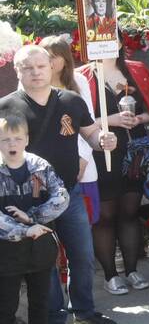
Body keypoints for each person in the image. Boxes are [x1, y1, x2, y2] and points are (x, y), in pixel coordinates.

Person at [0, 45, 118, 324]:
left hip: (69, 193)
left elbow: (90, 134)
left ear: (52, 66)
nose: (36, 72)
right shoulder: (6, 107)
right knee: (45, 262)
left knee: (82, 255)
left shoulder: (71, 100)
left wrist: (103, 138)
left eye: (41, 66)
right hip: (29, 202)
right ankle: (54, 320)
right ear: (17, 71)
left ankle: (85, 310)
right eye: (28, 68)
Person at [77, 47, 149, 296]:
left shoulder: (136, 69)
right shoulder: (83, 76)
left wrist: (138, 119)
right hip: (102, 152)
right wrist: (112, 120)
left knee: (130, 211)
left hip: (133, 152)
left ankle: (132, 269)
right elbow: (80, 119)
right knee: (104, 216)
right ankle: (110, 275)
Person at [0, 112, 70, 324]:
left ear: (26, 139)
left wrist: (34, 218)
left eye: (17, 138)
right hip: (6, 251)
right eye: (5, 139)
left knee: (41, 302)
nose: (11, 144)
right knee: (5, 305)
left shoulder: (40, 166)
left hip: (40, 248)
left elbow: (61, 197)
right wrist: (25, 228)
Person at [40, 37, 99, 224]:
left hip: (82, 163)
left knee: (86, 219)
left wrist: (82, 159)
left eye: (55, 56)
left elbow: (88, 125)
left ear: (65, 58)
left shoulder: (79, 81)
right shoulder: (33, 82)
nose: (50, 61)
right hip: (48, 166)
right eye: (46, 56)